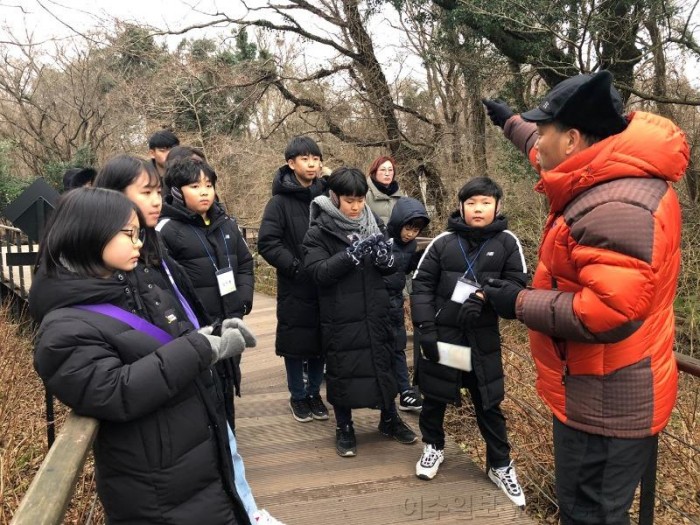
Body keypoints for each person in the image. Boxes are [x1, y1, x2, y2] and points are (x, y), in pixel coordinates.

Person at [482, 70, 688, 524]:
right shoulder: (605, 170)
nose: (536, 141)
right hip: (601, 390)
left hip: (607, 405)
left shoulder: (617, 206)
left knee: (587, 514)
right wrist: (508, 121)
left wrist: (518, 303)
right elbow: (544, 156)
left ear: (572, 138)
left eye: (543, 131)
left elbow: (610, 312)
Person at [30, 188, 253, 524]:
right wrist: (200, 348)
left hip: (185, 469)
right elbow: (112, 390)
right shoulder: (63, 328)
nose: (138, 244)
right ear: (89, 233)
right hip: (158, 490)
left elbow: (154, 348)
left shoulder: (121, 291)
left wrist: (208, 335)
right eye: (129, 234)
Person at [94, 156, 283, 525]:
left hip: (201, 362)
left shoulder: (151, 247)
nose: (155, 201)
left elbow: (227, 274)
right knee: (212, 452)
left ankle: (248, 510)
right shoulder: (134, 259)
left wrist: (228, 315)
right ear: (111, 198)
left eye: (157, 192)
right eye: (145, 192)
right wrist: (202, 345)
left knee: (224, 445)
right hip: (176, 384)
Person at [410, 177, 527, 507]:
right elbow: (420, 288)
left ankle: (500, 465)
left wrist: (487, 297)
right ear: (461, 205)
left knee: (488, 404)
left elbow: (518, 291)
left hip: (482, 342)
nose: (479, 209)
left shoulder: (507, 243)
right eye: (472, 202)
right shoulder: (443, 243)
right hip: (445, 337)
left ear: (497, 206)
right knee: (434, 397)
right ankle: (433, 446)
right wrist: (426, 332)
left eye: (486, 203)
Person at [303, 167, 418, 457]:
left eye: (359, 199)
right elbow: (317, 273)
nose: (355, 207)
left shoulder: (374, 223)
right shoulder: (319, 231)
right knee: (343, 370)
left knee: (385, 366)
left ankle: (389, 419)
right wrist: (349, 256)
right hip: (341, 315)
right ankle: (344, 426)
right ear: (334, 197)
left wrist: (386, 261)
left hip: (378, 311)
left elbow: (394, 268)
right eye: (349, 200)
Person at [158, 157, 255, 429]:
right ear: (176, 191)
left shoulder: (226, 224)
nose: (204, 191)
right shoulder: (165, 231)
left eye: (209, 185)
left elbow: (245, 262)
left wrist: (243, 299)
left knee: (228, 379)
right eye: (195, 185)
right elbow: (164, 285)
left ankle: (229, 436)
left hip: (230, 320)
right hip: (197, 329)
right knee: (204, 387)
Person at [257, 135, 330, 423]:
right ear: (291, 163)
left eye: (315, 158)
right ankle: (298, 396)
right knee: (296, 342)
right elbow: (268, 243)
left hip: (325, 280)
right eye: (305, 158)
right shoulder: (279, 203)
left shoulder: (328, 197)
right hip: (296, 283)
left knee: (321, 340)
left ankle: (315, 393)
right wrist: (296, 268)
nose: (311, 164)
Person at [385, 197, 430, 412]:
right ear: (397, 222)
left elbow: (407, 267)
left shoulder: (410, 245)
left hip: (395, 302)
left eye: (416, 230)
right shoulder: (382, 239)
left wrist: (420, 257)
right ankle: (384, 396)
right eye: (407, 227)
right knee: (378, 350)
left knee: (398, 347)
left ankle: (404, 392)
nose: (410, 234)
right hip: (376, 304)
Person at [365, 155, 404, 225]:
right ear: (374, 172)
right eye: (383, 170)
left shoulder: (401, 196)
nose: (387, 174)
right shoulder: (364, 194)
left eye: (390, 170)